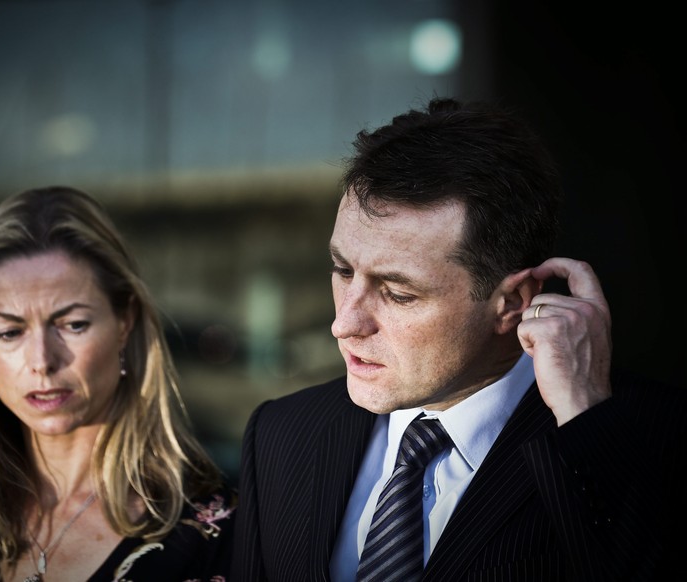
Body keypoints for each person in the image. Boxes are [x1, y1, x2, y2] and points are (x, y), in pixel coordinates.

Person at [231, 97, 685, 581]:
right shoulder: (281, 434)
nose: (345, 323)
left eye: (399, 293)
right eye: (343, 270)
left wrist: (584, 418)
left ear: (511, 303)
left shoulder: (656, 440)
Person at [0, 186, 236, 581]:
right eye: (10, 332)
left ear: (124, 322)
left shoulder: (211, 532)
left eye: (73, 324)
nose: (42, 362)